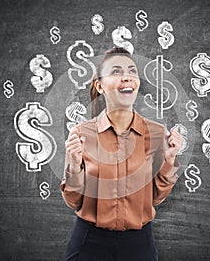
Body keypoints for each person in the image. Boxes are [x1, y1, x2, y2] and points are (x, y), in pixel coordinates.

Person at [60, 47, 183, 261]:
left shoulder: (156, 134)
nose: (127, 77)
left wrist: (170, 160)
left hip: (139, 244)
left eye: (132, 71)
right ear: (100, 86)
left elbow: (155, 198)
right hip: (89, 242)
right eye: (116, 71)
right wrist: (73, 165)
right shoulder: (81, 134)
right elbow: (74, 202)